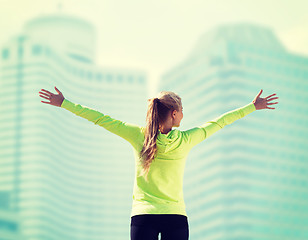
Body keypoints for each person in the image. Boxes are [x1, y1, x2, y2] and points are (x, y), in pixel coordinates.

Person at [38, 87, 278, 240]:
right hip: (175, 217)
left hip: (143, 217)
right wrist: (252, 107)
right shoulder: (186, 139)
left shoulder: (138, 135)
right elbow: (220, 121)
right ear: (173, 113)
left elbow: (101, 119)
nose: (184, 115)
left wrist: (64, 103)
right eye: (182, 110)